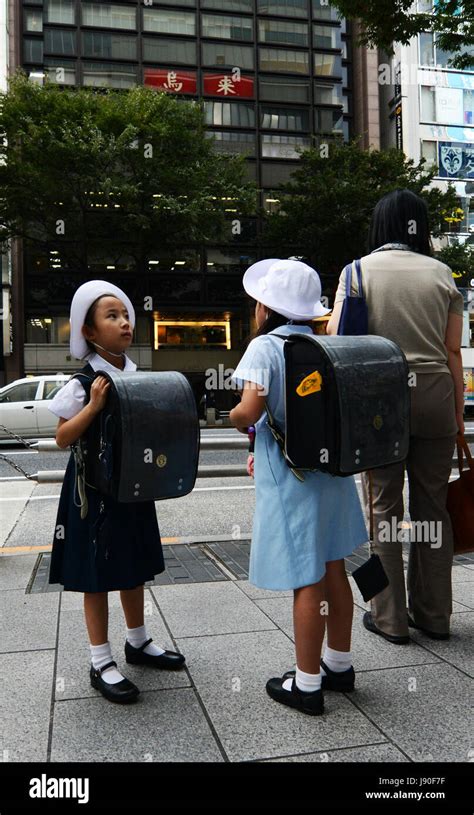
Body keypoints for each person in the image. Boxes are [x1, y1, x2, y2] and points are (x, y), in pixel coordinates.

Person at [229, 259, 369, 716]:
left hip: (292, 477)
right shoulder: (325, 344)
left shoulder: (264, 349)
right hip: (333, 474)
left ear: (266, 308)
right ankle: (339, 666)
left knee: (304, 578)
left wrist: (233, 417)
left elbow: (249, 412)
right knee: (334, 567)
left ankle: (307, 685)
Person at [327, 189, 464, 643]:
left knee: (384, 508)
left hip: (382, 399)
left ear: (381, 225)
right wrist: (458, 413)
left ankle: (390, 618)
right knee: (433, 507)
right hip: (437, 394)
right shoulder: (443, 273)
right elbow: (451, 349)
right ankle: (435, 615)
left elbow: (338, 336)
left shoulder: (357, 271)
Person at [48, 280, 185, 704]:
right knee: (95, 573)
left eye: (126, 315)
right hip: (92, 491)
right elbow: (61, 438)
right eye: (112, 317)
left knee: (134, 564)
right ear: (88, 332)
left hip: (132, 487)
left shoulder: (135, 375)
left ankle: (138, 642)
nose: (125, 322)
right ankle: (100, 659)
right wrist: (92, 406)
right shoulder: (83, 380)